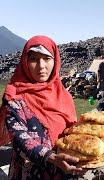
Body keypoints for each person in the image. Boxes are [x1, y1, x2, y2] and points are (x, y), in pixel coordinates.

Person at [0, 35, 86, 179]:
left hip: (63, 172)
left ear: (55, 61)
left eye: (47, 58)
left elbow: (74, 133)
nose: (41, 66)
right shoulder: (14, 95)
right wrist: (51, 157)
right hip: (30, 174)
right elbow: (19, 138)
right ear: (25, 62)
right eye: (34, 59)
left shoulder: (63, 95)